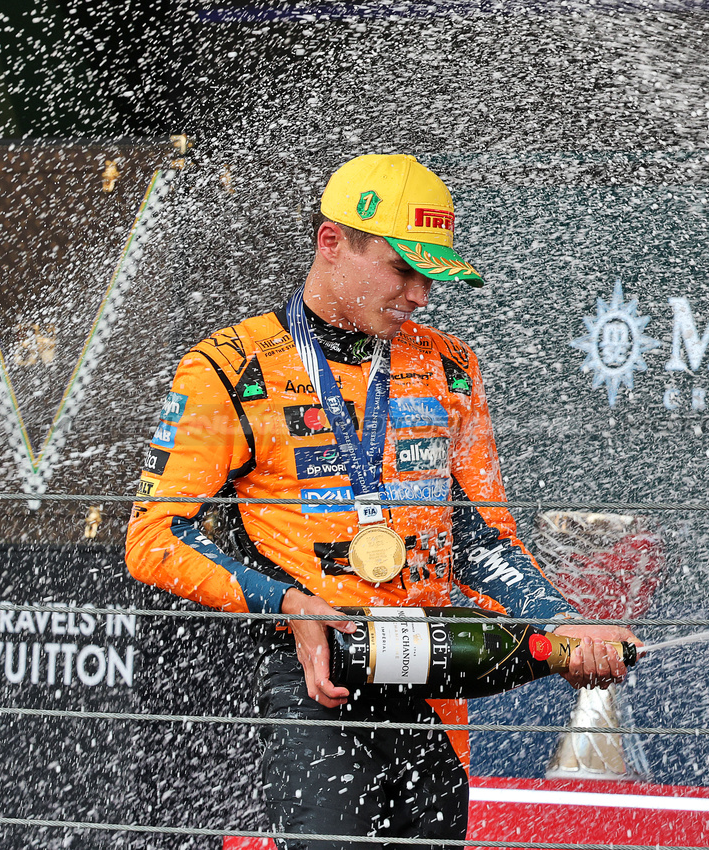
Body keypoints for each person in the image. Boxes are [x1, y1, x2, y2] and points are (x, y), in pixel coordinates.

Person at [125, 155, 640, 848]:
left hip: (432, 674)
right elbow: (153, 539)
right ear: (332, 242)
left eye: (430, 276)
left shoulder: (449, 365)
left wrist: (561, 619)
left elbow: (482, 538)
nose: (420, 294)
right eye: (403, 270)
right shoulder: (228, 364)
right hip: (315, 676)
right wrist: (285, 604)